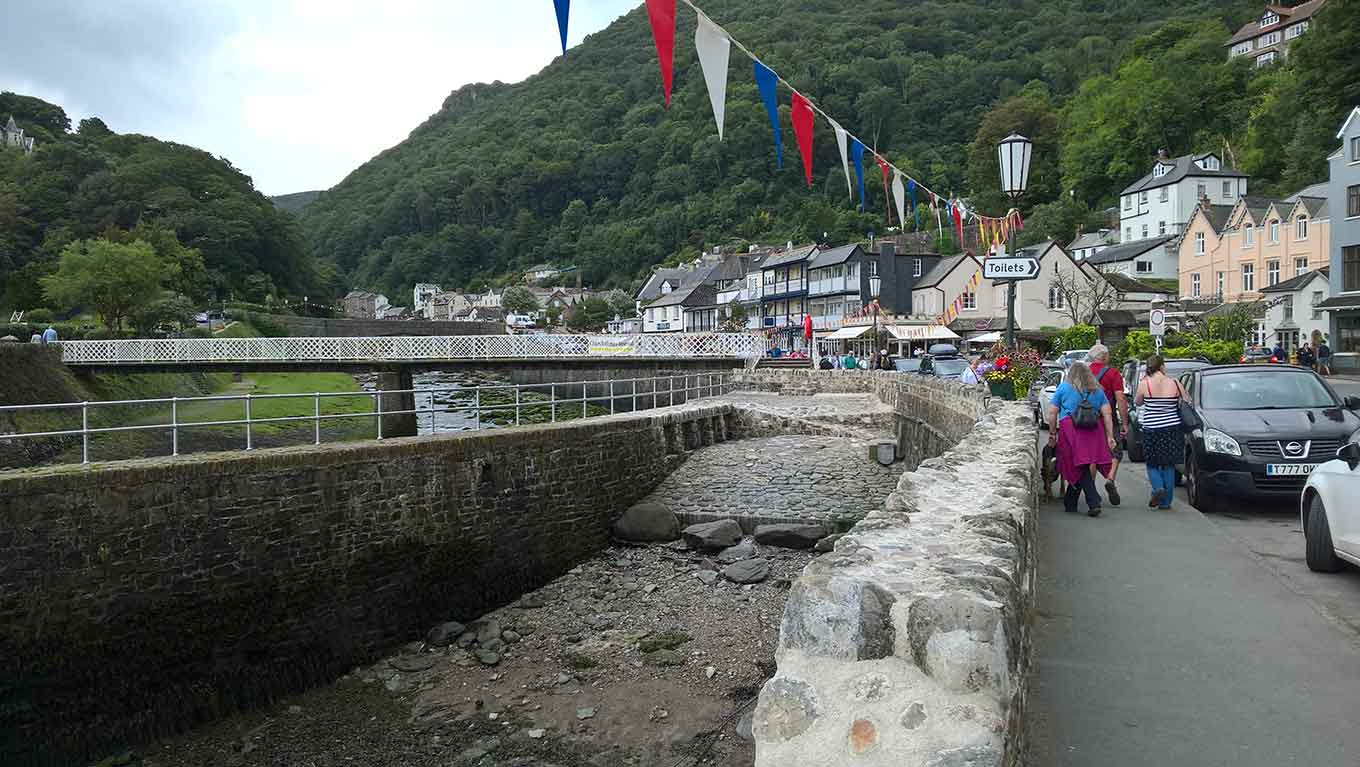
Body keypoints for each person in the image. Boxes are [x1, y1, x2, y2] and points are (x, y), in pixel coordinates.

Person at [1046, 361, 1117, 517]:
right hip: (1093, 429)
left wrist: (1052, 433)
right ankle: (1070, 502)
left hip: (1070, 428)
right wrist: (1110, 436)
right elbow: (1107, 413)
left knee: (1079, 463)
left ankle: (1093, 501)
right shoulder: (1097, 390)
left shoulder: (1064, 388)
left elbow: (1052, 412)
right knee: (1081, 464)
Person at [1134, 354, 1188, 510]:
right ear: (1162, 367)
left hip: (1151, 428)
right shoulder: (1175, 382)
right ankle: (1166, 502)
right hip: (1172, 428)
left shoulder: (1145, 383)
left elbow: (1138, 402)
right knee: (1168, 465)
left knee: (1152, 463)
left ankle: (1157, 488)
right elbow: (1186, 400)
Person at [1087, 344, 1127, 506]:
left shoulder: (1084, 373)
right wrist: (1125, 422)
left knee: (1092, 455)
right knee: (1115, 451)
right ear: (1105, 357)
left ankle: (1090, 490)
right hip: (1108, 418)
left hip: (1087, 419)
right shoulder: (1113, 373)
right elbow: (1121, 399)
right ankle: (1110, 478)